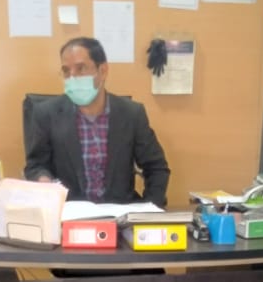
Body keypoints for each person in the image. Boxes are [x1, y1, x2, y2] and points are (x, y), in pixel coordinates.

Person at [24, 37, 171, 207]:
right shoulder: (46, 114)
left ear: (103, 71)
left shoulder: (131, 114)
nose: (72, 77)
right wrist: (43, 180)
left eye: (81, 68)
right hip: (69, 213)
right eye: (66, 71)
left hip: (120, 212)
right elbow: (35, 165)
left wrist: (148, 210)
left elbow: (156, 167)